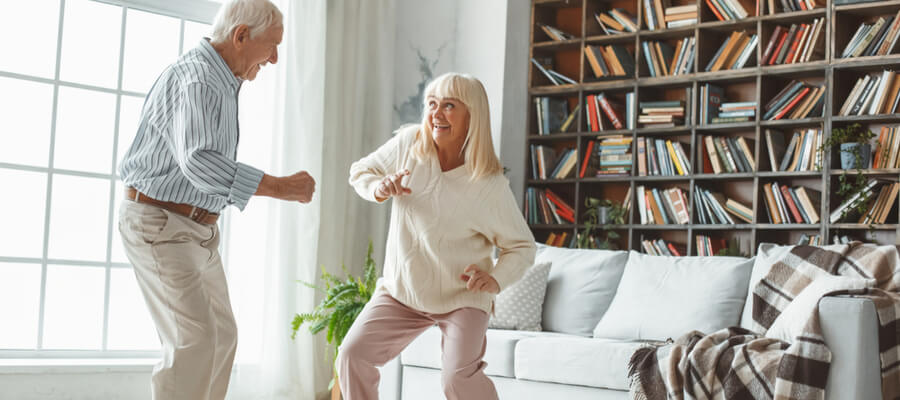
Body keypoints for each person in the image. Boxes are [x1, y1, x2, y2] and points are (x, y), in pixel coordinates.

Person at [117, 1, 315, 399]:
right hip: (160, 223)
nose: (275, 58)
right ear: (241, 35)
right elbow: (200, 163)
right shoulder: (200, 80)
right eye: (272, 46)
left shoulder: (222, 77)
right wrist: (279, 187)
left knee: (222, 337)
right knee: (195, 342)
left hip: (196, 229)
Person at [340, 72, 536, 399]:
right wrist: (379, 187)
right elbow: (361, 171)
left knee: (458, 380)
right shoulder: (409, 144)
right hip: (403, 291)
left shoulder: (488, 185)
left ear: (472, 114)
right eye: (432, 104)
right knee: (352, 355)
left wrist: (496, 279)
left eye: (448, 105)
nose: (436, 113)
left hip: (462, 298)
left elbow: (522, 247)